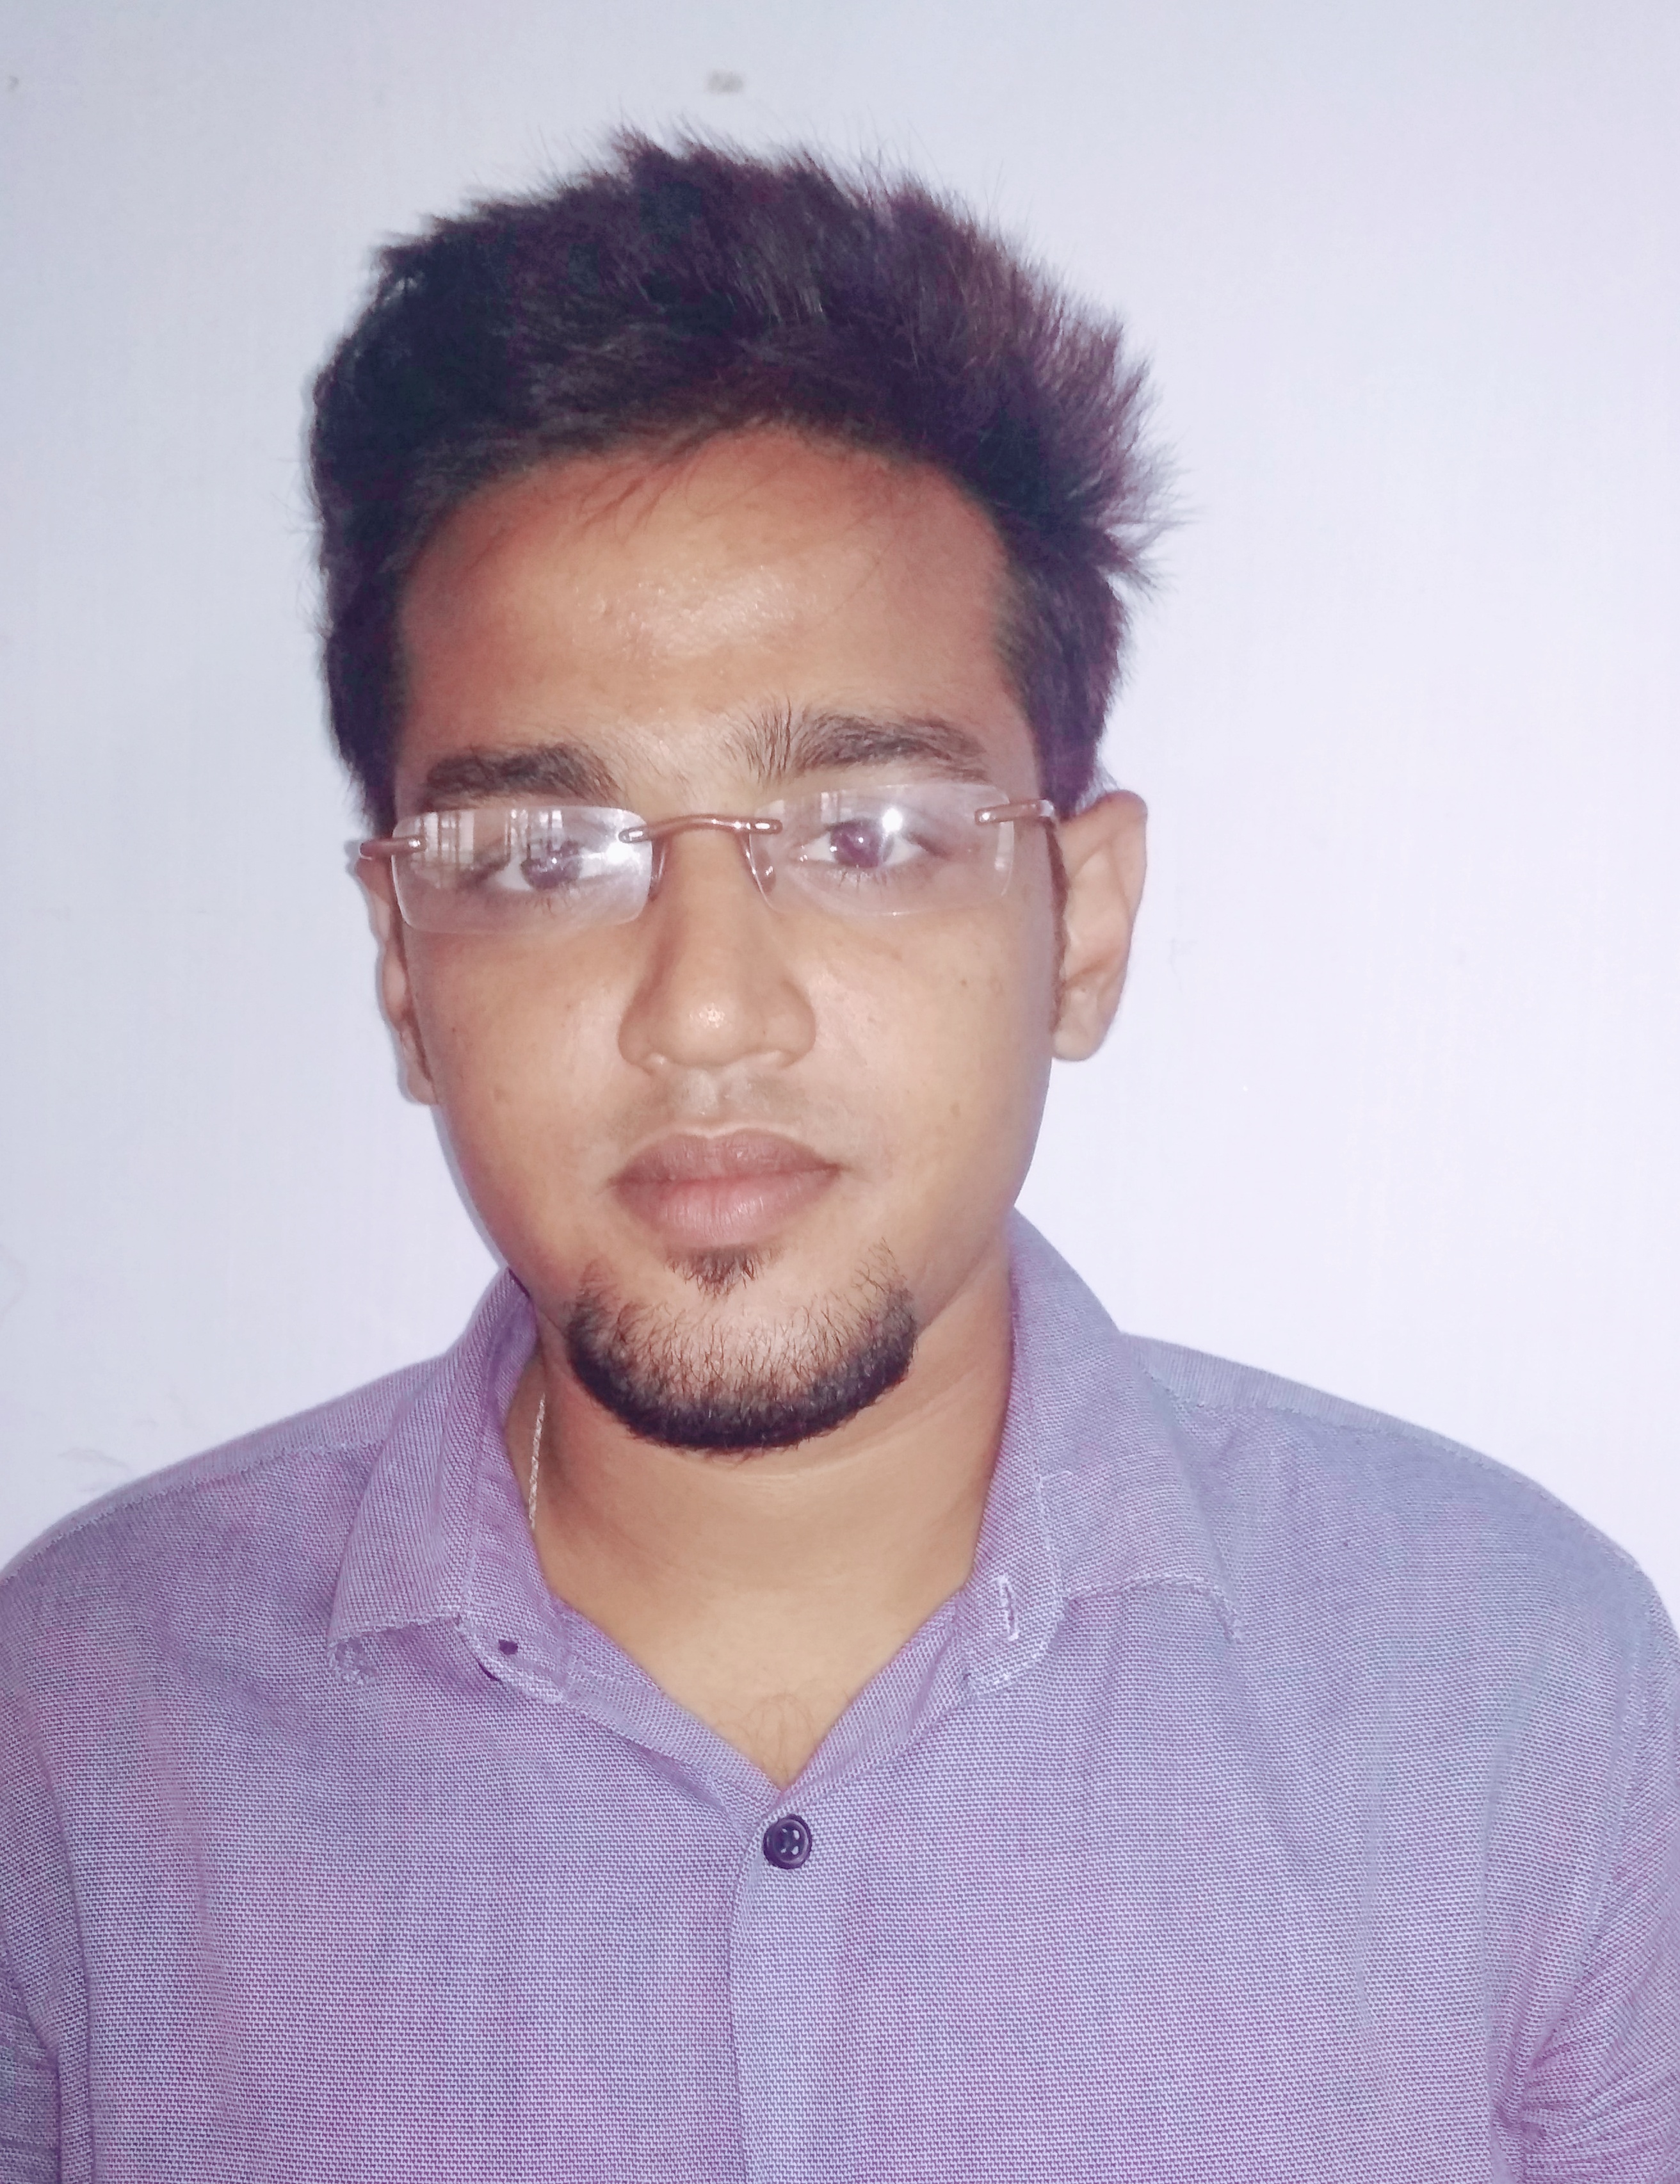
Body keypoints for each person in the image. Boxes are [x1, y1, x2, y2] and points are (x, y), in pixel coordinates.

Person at [1, 133, 1674, 2184]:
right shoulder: (79, 1729)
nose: (706, 1011)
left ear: (1086, 924)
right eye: (544, 852)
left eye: (871, 831)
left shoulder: (1526, 1702)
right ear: (405, 965)